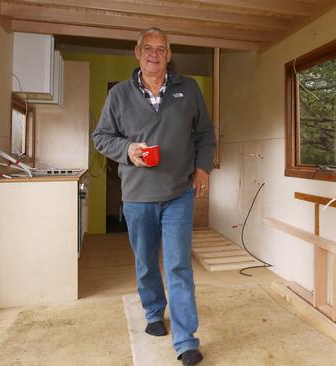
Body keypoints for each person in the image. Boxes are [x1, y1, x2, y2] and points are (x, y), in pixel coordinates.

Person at [92, 27, 215, 366]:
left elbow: (205, 133)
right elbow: (101, 137)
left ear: (169, 54)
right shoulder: (118, 95)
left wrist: (203, 168)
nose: (155, 54)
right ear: (137, 52)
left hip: (178, 193)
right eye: (149, 48)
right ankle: (152, 312)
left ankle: (186, 340)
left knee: (178, 265)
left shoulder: (188, 89)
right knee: (146, 261)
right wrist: (127, 149)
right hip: (137, 195)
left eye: (161, 48)